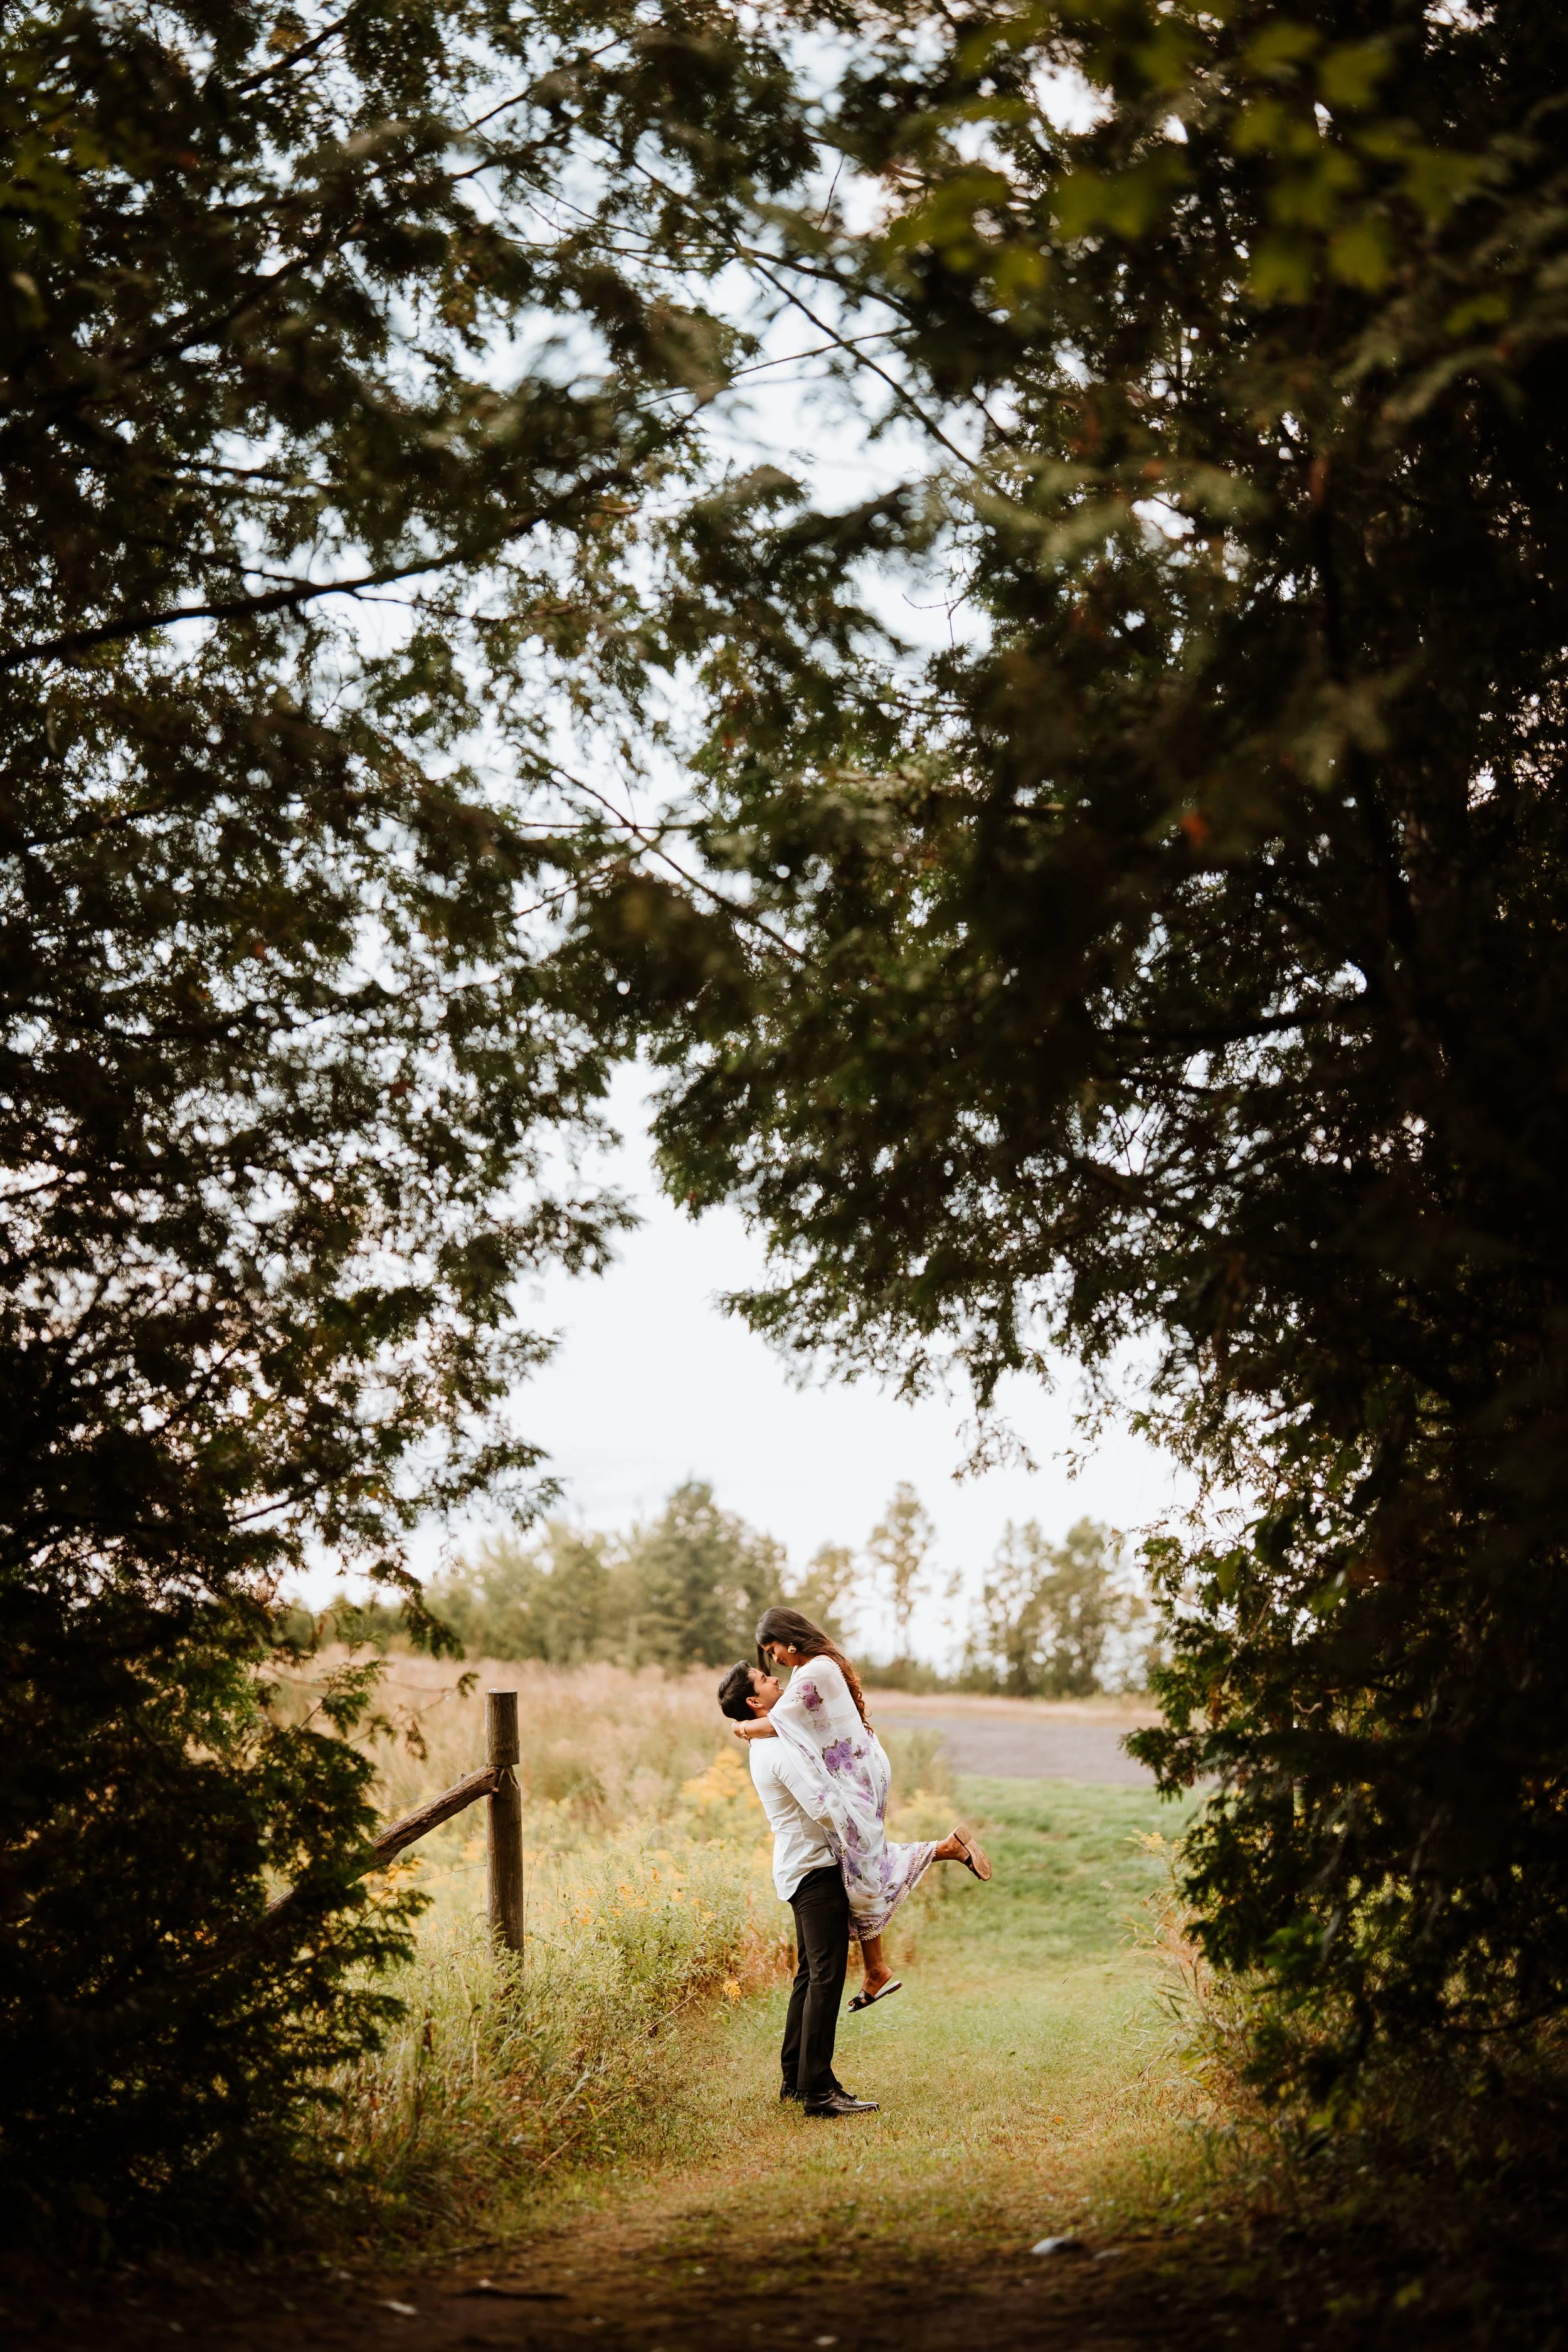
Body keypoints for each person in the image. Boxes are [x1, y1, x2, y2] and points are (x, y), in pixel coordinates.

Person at [728, 1605, 992, 2008]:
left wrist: (742, 1726)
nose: (776, 1661)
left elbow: (774, 1724)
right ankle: (878, 1966)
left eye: (774, 1649)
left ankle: (941, 1859)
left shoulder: (816, 1672)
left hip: (855, 1775)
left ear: (790, 1638)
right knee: (860, 1864)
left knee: (862, 1865)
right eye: (768, 1657)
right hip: (849, 1770)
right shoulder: (808, 1670)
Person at [718, 1660, 879, 2119]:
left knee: (810, 1976)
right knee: (826, 1979)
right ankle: (818, 2092)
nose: (775, 1681)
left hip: (797, 1868)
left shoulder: (768, 1739)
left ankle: (796, 2079)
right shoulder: (778, 1749)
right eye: (765, 1680)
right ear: (755, 1701)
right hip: (815, 1870)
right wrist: (861, 1815)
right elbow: (823, 1811)